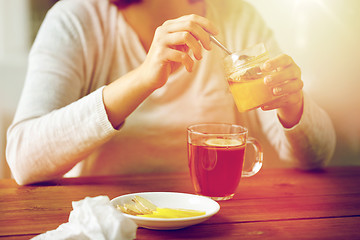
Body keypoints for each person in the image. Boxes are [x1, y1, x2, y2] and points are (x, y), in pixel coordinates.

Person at [6, 0, 336, 185]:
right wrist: (144, 78)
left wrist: (293, 107)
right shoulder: (76, 21)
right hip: (108, 220)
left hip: (215, 219)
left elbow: (317, 155)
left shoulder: (237, 17)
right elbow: (23, 159)